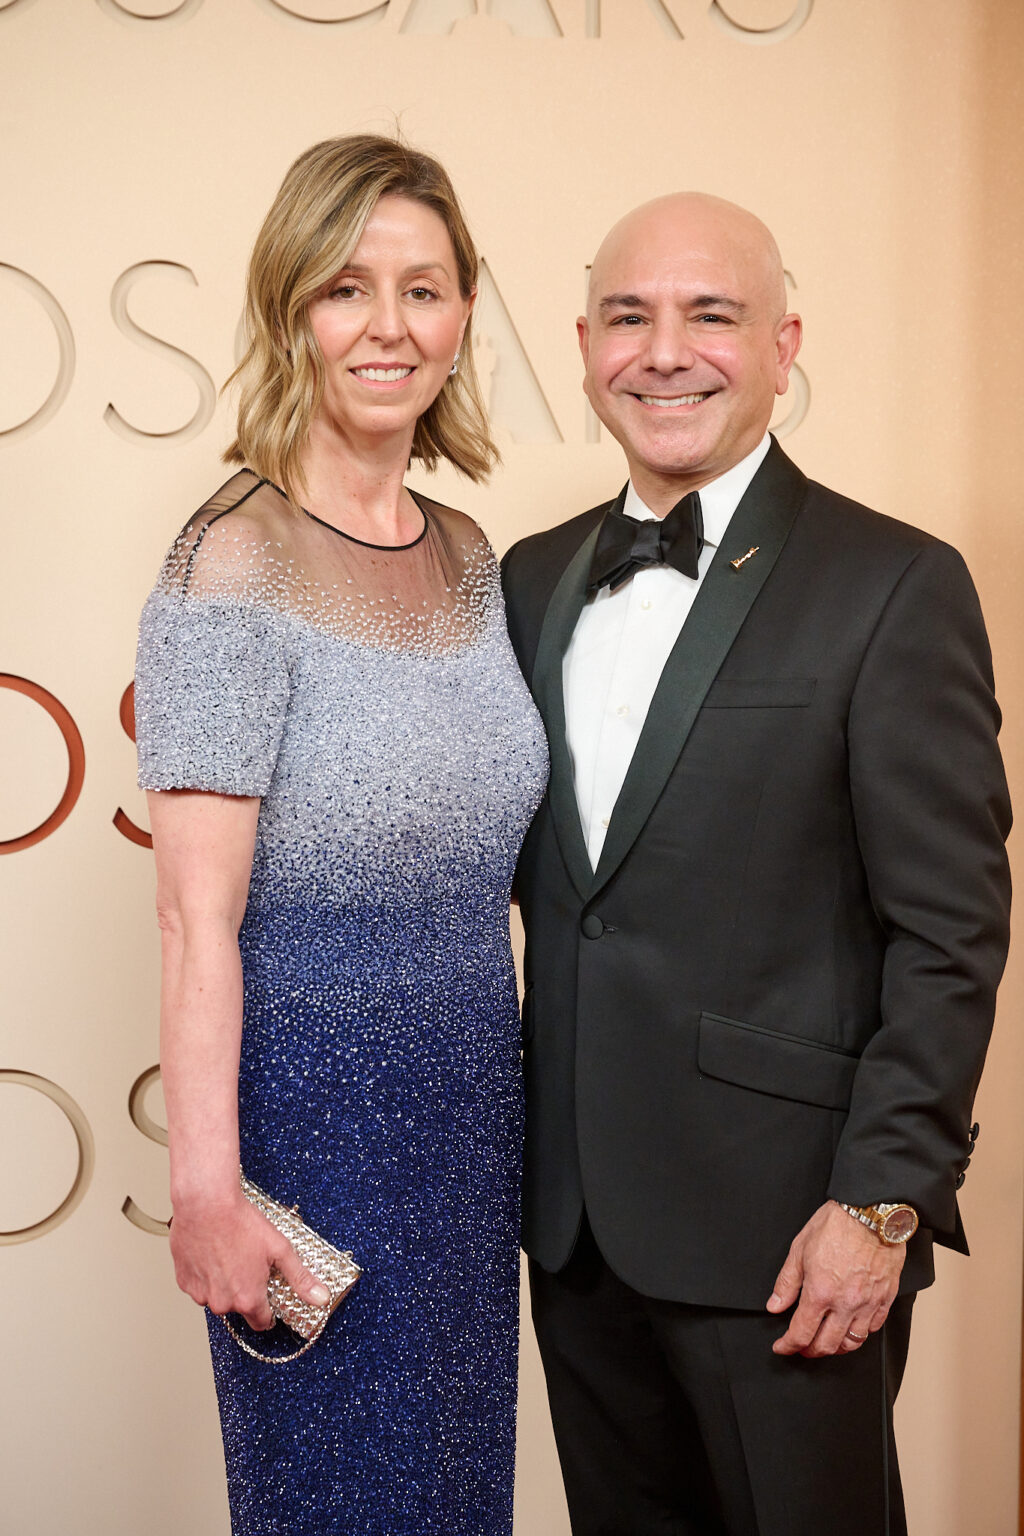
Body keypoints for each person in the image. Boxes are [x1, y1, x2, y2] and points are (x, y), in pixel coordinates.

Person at [501, 192, 1011, 1536]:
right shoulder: (529, 580)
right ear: (584, 342)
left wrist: (882, 1203)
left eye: (709, 315)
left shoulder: (894, 583)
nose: (664, 351)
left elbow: (951, 932)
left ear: (785, 343)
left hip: (793, 1235)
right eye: (630, 316)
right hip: (576, 1233)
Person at [134, 134, 547, 1536]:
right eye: (346, 288)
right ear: (288, 307)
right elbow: (195, 918)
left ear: (464, 316)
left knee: (455, 1497)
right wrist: (206, 1191)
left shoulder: (472, 554)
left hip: (474, 1128)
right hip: (311, 1138)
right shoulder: (230, 561)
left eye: (422, 290)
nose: (388, 326)